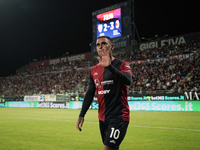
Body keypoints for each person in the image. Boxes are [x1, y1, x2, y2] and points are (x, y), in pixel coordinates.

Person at [76, 36, 133, 150]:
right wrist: (81, 114)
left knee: (107, 148)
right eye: (98, 44)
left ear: (112, 47)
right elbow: (90, 93)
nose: (100, 46)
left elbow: (128, 80)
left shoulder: (122, 64)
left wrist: (110, 67)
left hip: (119, 116)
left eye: (104, 43)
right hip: (102, 118)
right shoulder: (94, 70)